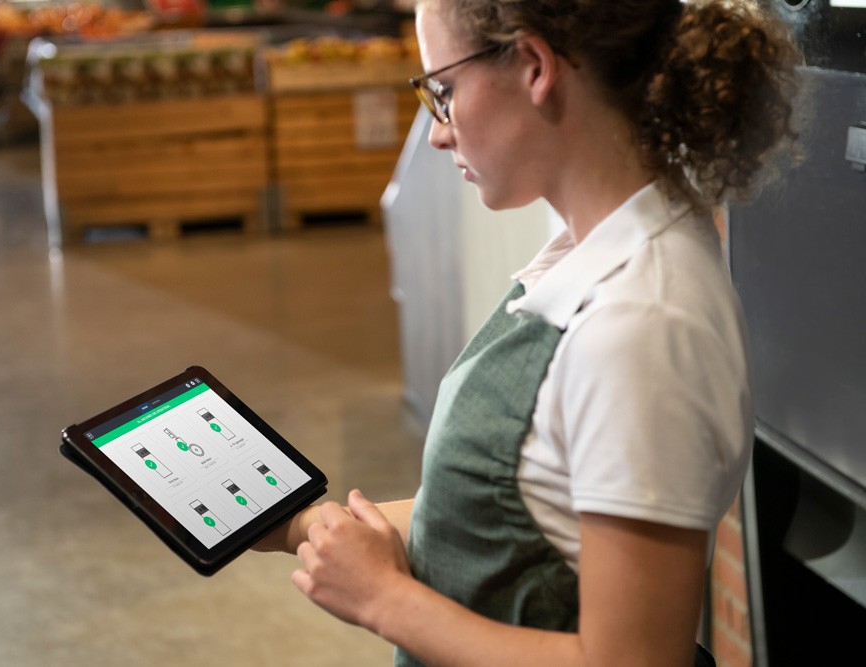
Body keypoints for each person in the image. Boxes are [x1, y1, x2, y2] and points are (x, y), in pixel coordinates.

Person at [258, 1, 798, 665]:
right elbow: (499, 517)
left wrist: (383, 600)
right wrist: (302, 524)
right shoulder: (587, 254)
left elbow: (634, 659)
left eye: (444, 91)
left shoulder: (637, 323)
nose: (437, 132)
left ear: (536, 67)